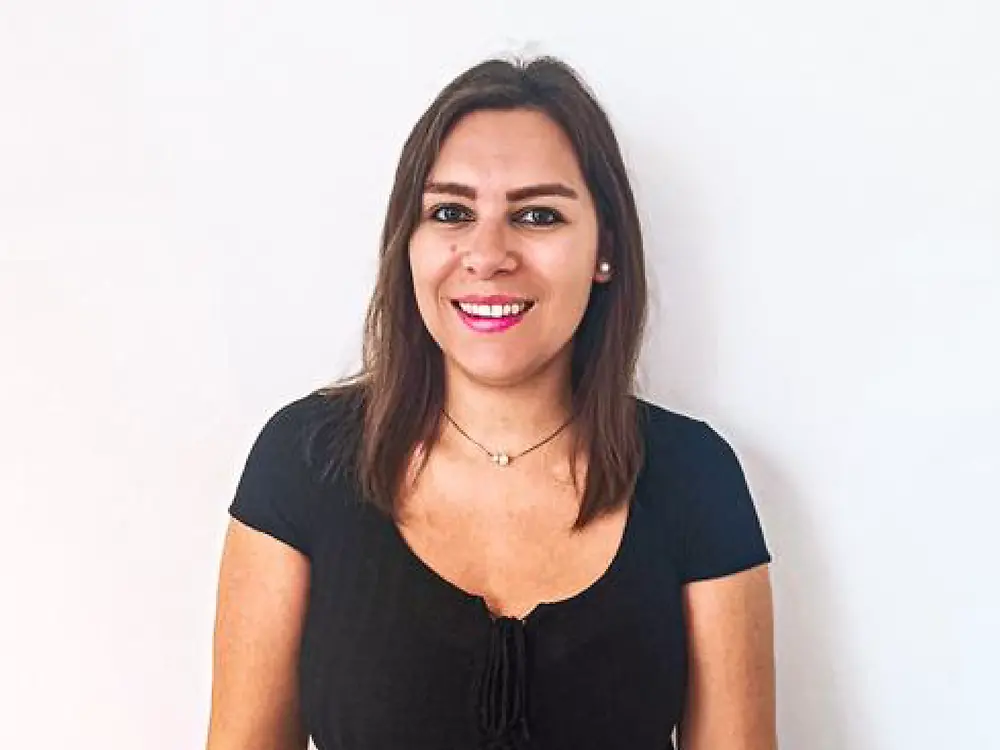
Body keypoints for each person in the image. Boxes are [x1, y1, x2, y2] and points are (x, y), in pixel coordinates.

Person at [207, 56, 776, 750]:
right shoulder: (303, 461)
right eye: (451, 212)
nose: (487, 253)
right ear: (408, 246)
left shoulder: (696, 479)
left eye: (537, 215)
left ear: (606, 250)